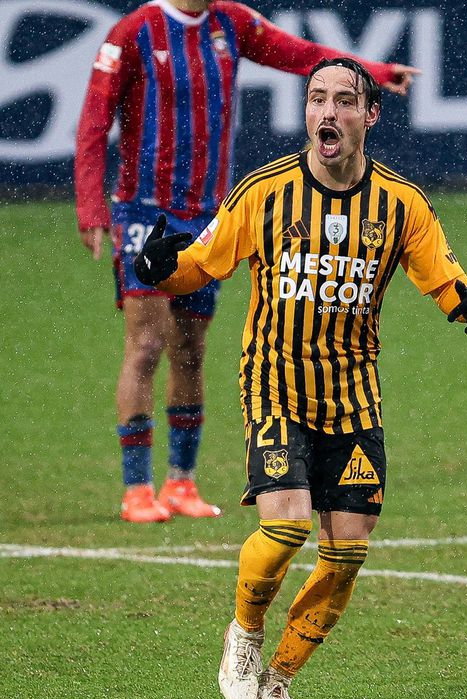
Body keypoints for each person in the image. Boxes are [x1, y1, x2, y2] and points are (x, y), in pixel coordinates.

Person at [132, 57, 467, 699]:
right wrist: (162, 269)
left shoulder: (401, 204)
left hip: (353, 396)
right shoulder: (263, 191)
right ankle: (245, 633)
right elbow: (203, 264)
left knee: (347, 553)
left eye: (344, 101)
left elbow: (442, 274)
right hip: (274, 383)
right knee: (285, 527)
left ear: (370, 115)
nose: (327, 112)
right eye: (316, 98)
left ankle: (278, 677)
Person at [75, 0, 418, 524]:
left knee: (191, 349)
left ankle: (181, 482)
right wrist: (91, 206)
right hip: (145, 208)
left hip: (207, 212)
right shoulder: (135, 31)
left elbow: (302, 55)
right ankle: (137, 488)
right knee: (146, 344)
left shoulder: (230, 23)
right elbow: (95, 118)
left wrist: (374, 72)